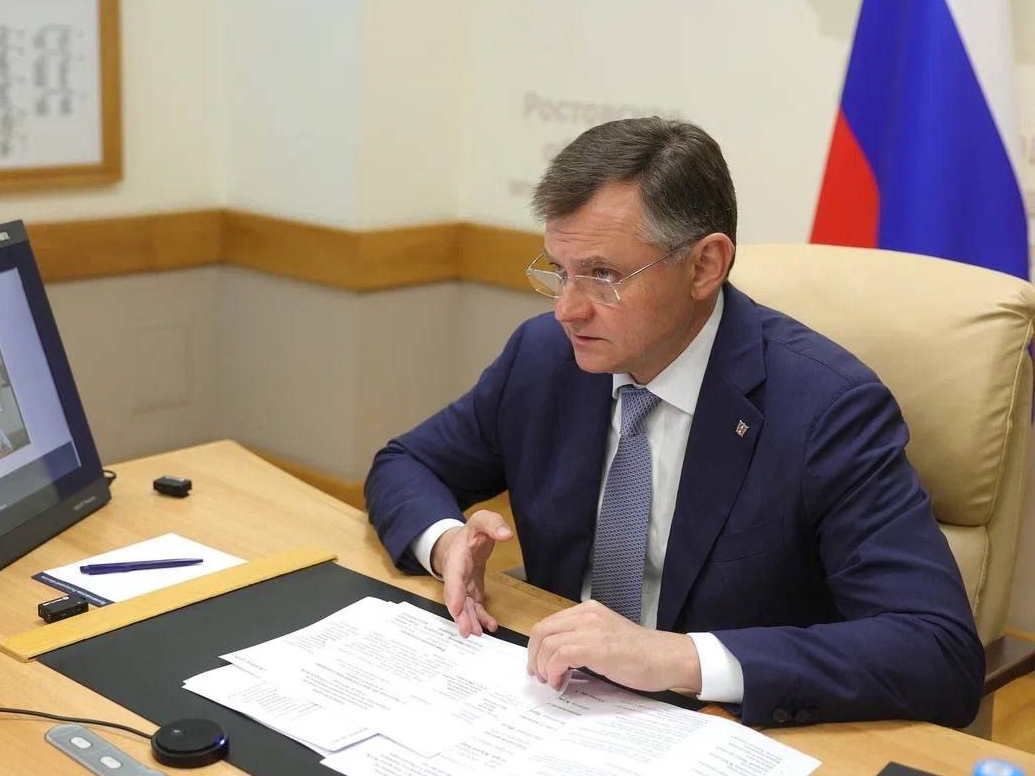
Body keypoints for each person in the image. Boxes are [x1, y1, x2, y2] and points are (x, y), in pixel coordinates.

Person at [365, 118, 983, 728]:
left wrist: (679, 658)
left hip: (728, 728)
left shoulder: (827, 410)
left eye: (603, 276)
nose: (567, 309)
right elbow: (406, 462)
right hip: (552, 705)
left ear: (704, 266)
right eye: (559, 270)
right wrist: (446, 544)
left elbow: (938, 648)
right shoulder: (545, 358)